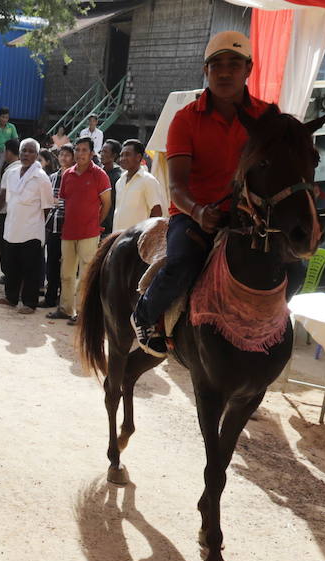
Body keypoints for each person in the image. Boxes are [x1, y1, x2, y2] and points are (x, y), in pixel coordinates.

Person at [130, 31, 274, 356]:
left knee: (290, 266)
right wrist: (198, 212)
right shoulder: (185, 119)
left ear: (249, 68)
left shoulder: (267, 118)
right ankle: (146, 311)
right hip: (195, 214)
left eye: (234, 65)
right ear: (205, 70)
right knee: (182, 261)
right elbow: (177, 186)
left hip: (248, 215)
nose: (224, 72)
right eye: (216, 65)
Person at [49, 136, 111, 324]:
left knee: (85, 275)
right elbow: (64, 201)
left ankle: (83, 313)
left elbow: (107, 203)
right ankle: (66, 309)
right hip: (68, 232)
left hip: (89, 233)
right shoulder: (67, 174)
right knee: (66, 273)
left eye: (84, 150)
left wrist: (96, 223)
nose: (80, 154)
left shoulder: (100, 175)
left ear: (92, 153)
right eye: (77, 150)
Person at [0, 138, 55, 314]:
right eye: (23, 151)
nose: (26, 154)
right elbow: (6, 198)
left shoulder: (42, 178)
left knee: (30, 268)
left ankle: (30, 303)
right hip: (12, 227)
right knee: (11, 265)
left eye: (30, 151)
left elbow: (47, 208)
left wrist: (37, 225)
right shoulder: (13, 173)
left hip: (31, 230)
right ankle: (11, 297)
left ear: (37, 155)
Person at [38, 144, 72, 311]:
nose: (64, 158)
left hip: (69, 227)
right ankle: (50, 297)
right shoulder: (52, 177)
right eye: (61, 155)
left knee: (67, 266)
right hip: (52, 225)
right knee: (52, 263)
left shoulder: (74, 177)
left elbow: (68, 202)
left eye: (67, 155)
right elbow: (48, 200)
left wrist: (59, 202)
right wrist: (57, 202)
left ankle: (63, 297)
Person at [112, 138, 165, 232]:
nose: (123, 159)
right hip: (117, 239)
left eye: (127, 155)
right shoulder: (119, 182)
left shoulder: (148, 180)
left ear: (138, 157)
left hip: (136, 240)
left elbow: (157, 212)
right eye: (121, 155)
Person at [0, 138, 19, 286]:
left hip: (5, 213)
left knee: (3, 246)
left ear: (8, 152)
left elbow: (2, 194)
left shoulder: (10, 170)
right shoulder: (23, 167)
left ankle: (8, 274)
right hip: (17, 214)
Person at [99, 139, 122, 234]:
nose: (102, 154)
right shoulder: (98, 172)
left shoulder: (118, 177)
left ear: (114, 156)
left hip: (108, 225)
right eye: (101, 151)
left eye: (105, 152)